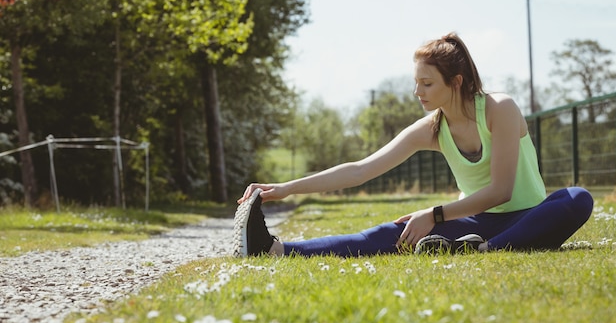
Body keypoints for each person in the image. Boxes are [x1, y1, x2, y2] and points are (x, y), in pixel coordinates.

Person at [232, 32, 594, 257]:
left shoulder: (500, 108)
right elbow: (361, 169)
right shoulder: (432, 128)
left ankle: (484, 250)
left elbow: (501, 191)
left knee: (577, 198)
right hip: (477, 223)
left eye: (426, 84)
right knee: (392, 234)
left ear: (455, 81)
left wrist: (434, 214)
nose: (416, 92)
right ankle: (276, 250)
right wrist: (285, 188)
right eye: (416, 82)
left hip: (529, 218)